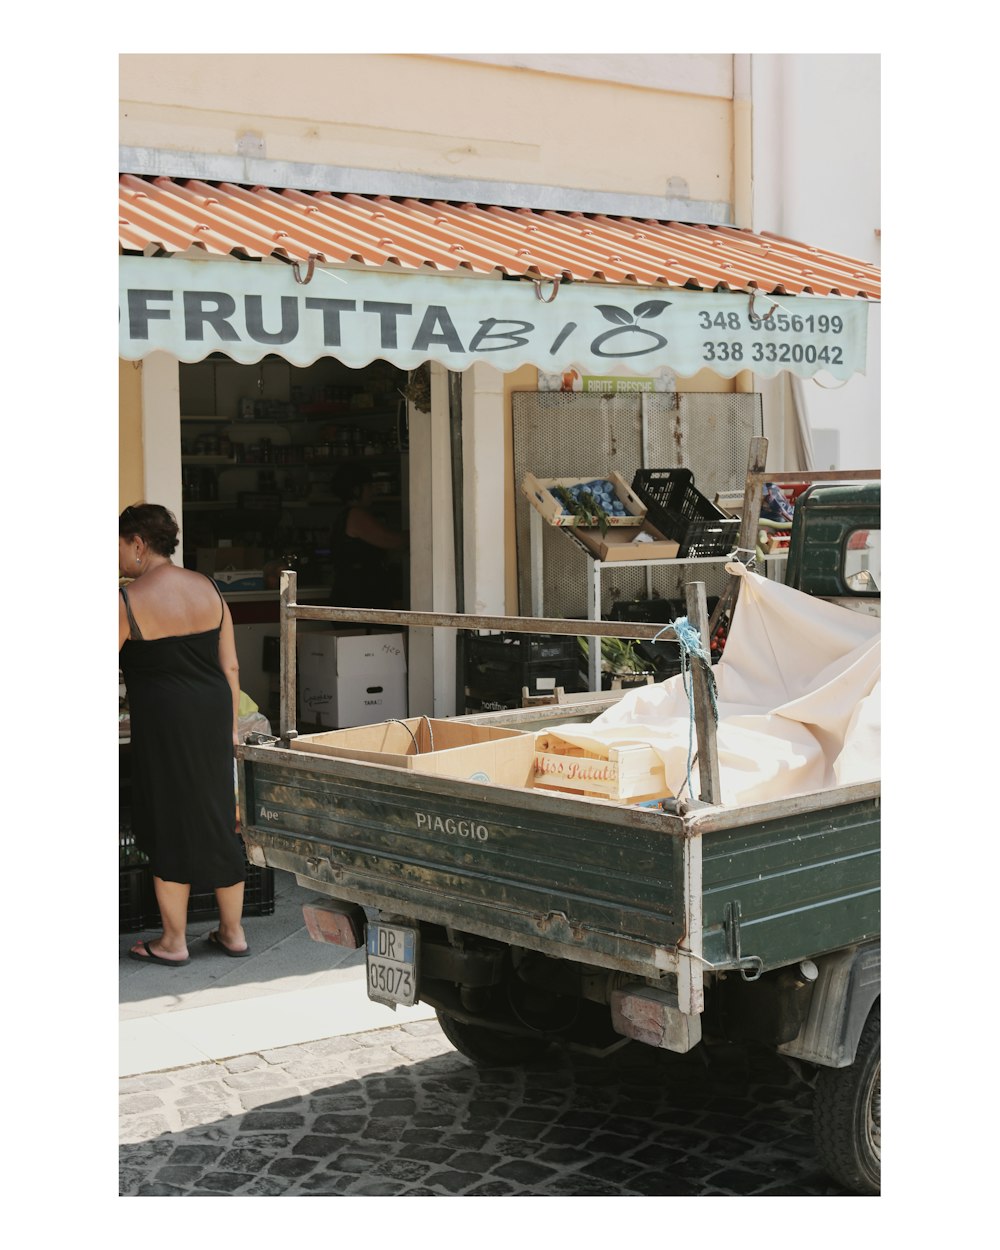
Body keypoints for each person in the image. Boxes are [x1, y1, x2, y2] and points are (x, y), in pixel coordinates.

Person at [119, 503, 249, 966]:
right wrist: (230, 725)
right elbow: (230, 664)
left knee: (168, 819)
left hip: (163, 722)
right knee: (217, 816)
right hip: (213, 714)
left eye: (119, 547)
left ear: (137, 543)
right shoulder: (210, 588)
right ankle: (232, 932)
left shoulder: (128, 599)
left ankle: (173, 942)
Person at [328, 465, 407, 608]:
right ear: (356, 490)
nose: (373, 491)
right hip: (358, 597)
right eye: (369, 486)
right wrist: (421, 533)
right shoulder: (356, 515)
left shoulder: (346, 515)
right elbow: (391, 540)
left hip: (355, 595)